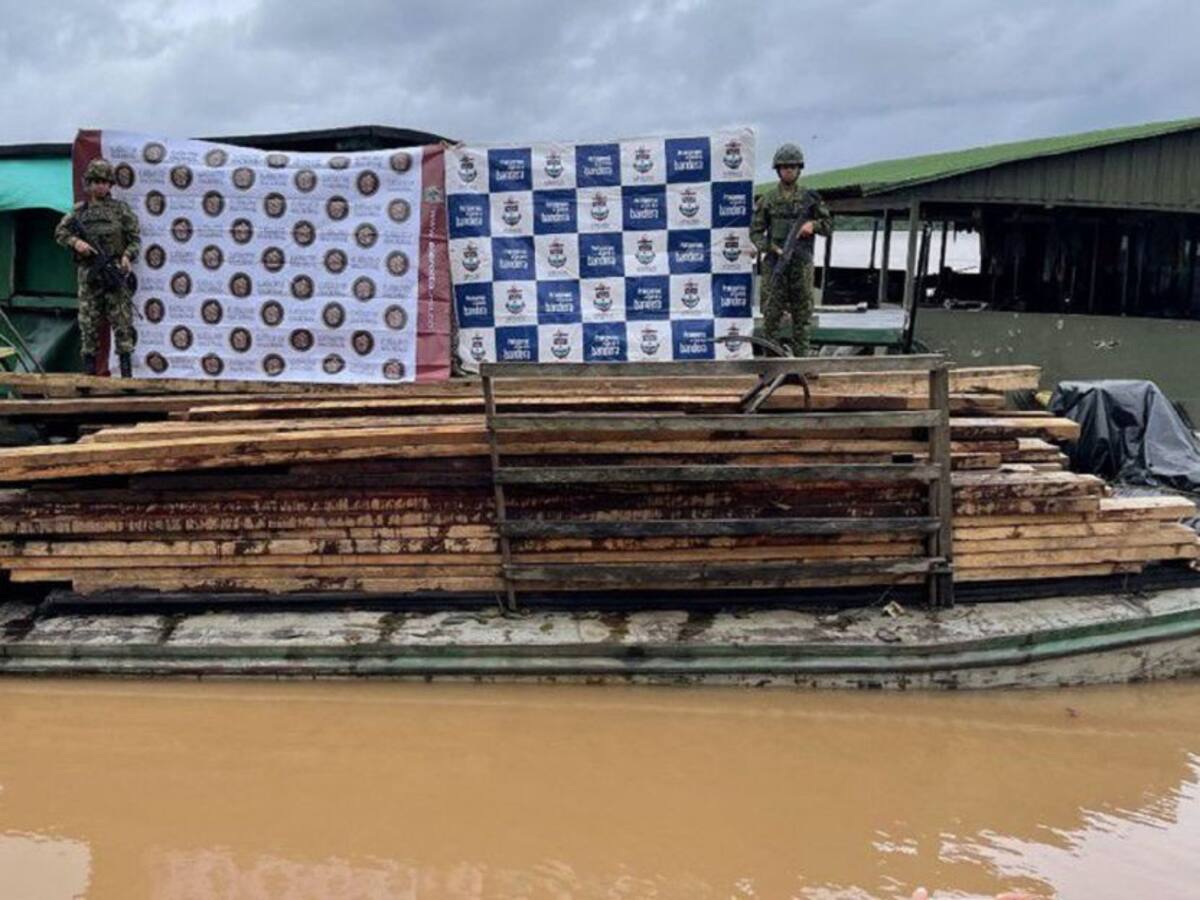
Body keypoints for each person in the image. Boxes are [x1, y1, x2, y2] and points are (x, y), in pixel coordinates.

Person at [54, 158, 141, 377]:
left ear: (110, 185)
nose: (100, 186)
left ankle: (126, 375)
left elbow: (135, 239)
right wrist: (76, 243)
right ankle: (90, 374)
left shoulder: (121, 210)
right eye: (96, 182)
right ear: (89, 184)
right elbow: (60, 233)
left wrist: (127, 256)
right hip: (89, 274)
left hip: (113, 272)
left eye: (104, 182)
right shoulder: (79, 212)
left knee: (122, 323)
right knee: (88, 323)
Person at [749, 142, 832, 355]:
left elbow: (828, 226)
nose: (789, 171)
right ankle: (772, 364)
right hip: (775, 263)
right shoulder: (768, 199)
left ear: (799, 169)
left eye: (793, 167)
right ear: (778, 170)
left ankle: (801, 364)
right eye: (785, 167)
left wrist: (812, 225)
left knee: (802, 316)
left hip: (801, 262)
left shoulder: (809, 198)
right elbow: (755, 232)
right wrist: (771, 248)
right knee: (771, 315)